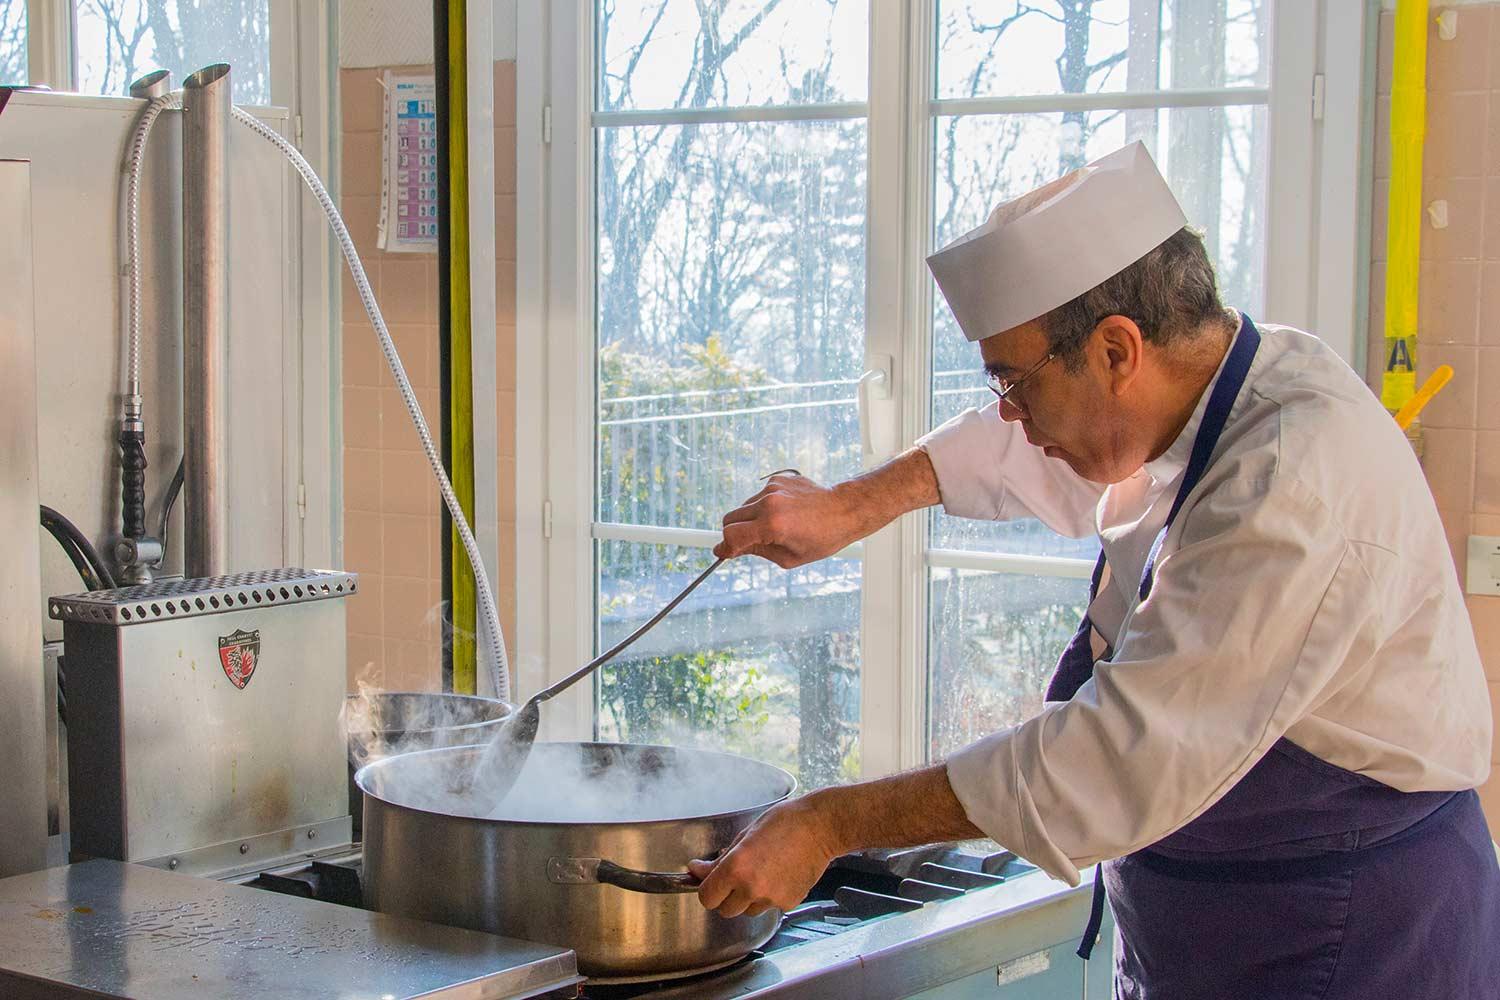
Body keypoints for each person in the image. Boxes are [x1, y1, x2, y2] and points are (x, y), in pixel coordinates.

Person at [687, 142, 1500, 999]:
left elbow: (1113, 760)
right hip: (1205, 929)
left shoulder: (1288, 476)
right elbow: (1046, 448)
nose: (1011, 415)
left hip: (1346, 939)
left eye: (1016, 380)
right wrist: (853, 506)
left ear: (1117, 350)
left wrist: (831, 821)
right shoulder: (1201, 392)